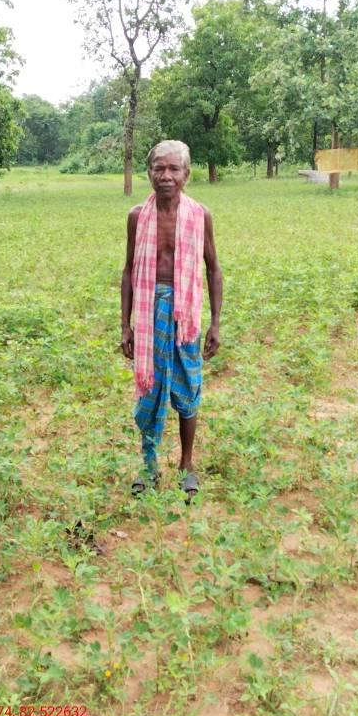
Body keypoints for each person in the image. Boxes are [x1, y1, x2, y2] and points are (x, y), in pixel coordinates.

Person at [120, 140, 223, 501]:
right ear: (149, 172)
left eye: (173, 169)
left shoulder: (200, 215)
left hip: (185, 315)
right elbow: (129, 270)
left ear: (186, 174)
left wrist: (215, 323)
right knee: (149, 392)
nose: (165, 176)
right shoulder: (137, 216)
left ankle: (186, 465)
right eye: (158, 168)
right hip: (149, 311)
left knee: (187, 387)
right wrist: (125, 325)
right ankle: (149, 466)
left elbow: (213, 268)